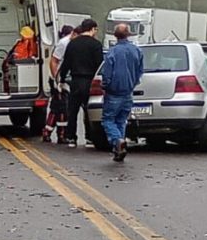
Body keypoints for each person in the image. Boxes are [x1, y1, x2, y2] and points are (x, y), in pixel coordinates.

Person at [101, 23, 144, 162]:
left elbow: (107, 73)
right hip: (128, 92)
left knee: (108, 119)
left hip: (114, 92)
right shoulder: (136, 51)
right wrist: (133, 83)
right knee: (121, 120)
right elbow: (140, 71)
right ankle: (119, 148)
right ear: (129, 34)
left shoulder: (112, 52)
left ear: (115, 35)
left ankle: (117, 141)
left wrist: (105, 85)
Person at [57, 19, 104, 147]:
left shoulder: (72, 44)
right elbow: (99, 64)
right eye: (96, 30)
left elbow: (66, 64)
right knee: (88, 110)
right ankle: (89, 138)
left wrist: (62, 79)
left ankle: (71, 137)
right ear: (92, 29)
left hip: (75, 80)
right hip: (90, 81)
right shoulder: (96, 45)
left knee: (72, 110)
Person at [46, 25, 76, 141]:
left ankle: (48, 132)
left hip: (64, 79)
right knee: (62, 108)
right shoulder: (64, 43)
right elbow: (54, 61)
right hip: (59, 79)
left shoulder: (70, 43)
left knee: (57, 107)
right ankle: (61, 134)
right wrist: (56, 80)